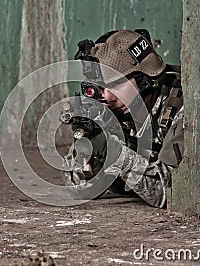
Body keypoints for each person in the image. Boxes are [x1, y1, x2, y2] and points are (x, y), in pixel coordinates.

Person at [62, 29, 184, 208]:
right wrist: (90, 150)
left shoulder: (185, 108)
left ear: (146, 78)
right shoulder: (115, 111)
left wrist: (118, 155)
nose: (107, 97)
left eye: (115, 84)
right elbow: (77, 187)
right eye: (99, 88)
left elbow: (171, 194)